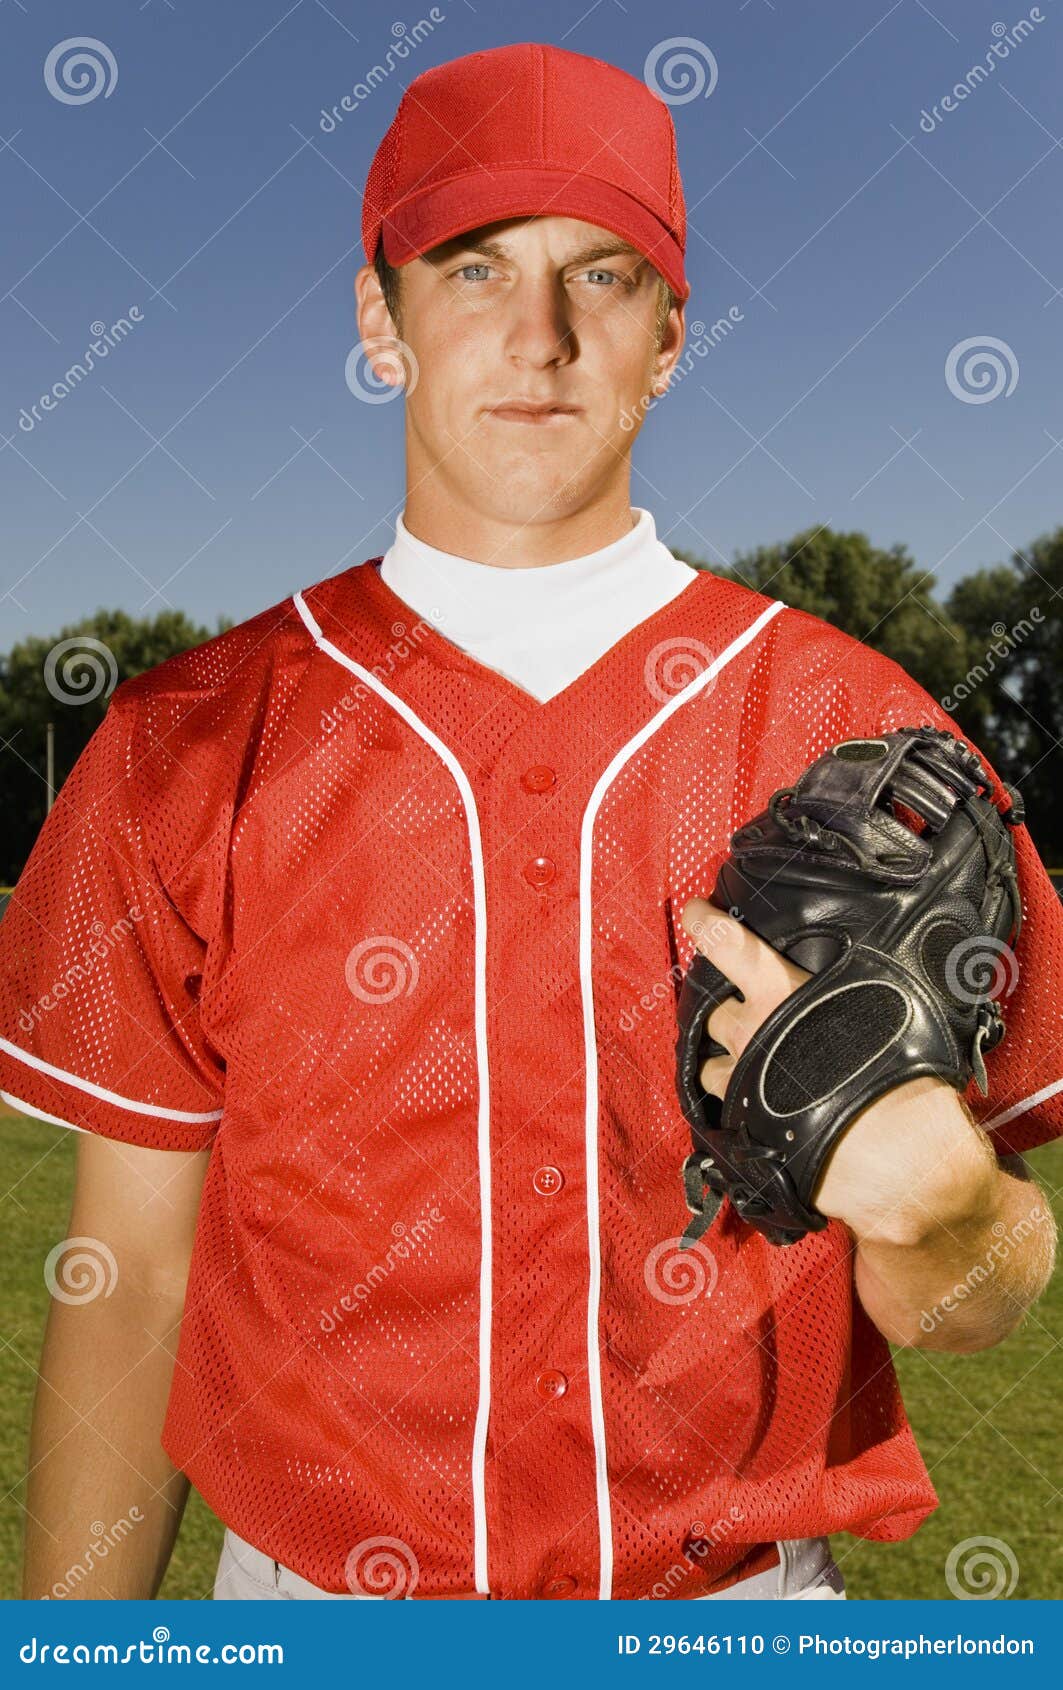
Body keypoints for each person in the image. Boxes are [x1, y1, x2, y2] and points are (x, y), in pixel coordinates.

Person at [1, 42, 1059, 1605]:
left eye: (607, 276)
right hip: (309, 1608)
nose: (541, 335)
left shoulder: (866, 732)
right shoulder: (187, 745)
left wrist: (959, 1210)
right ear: (381, 318)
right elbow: (133, 1277)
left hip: (736, 1612)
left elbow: (978, 1297)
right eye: (473, 264)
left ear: (671, 337)